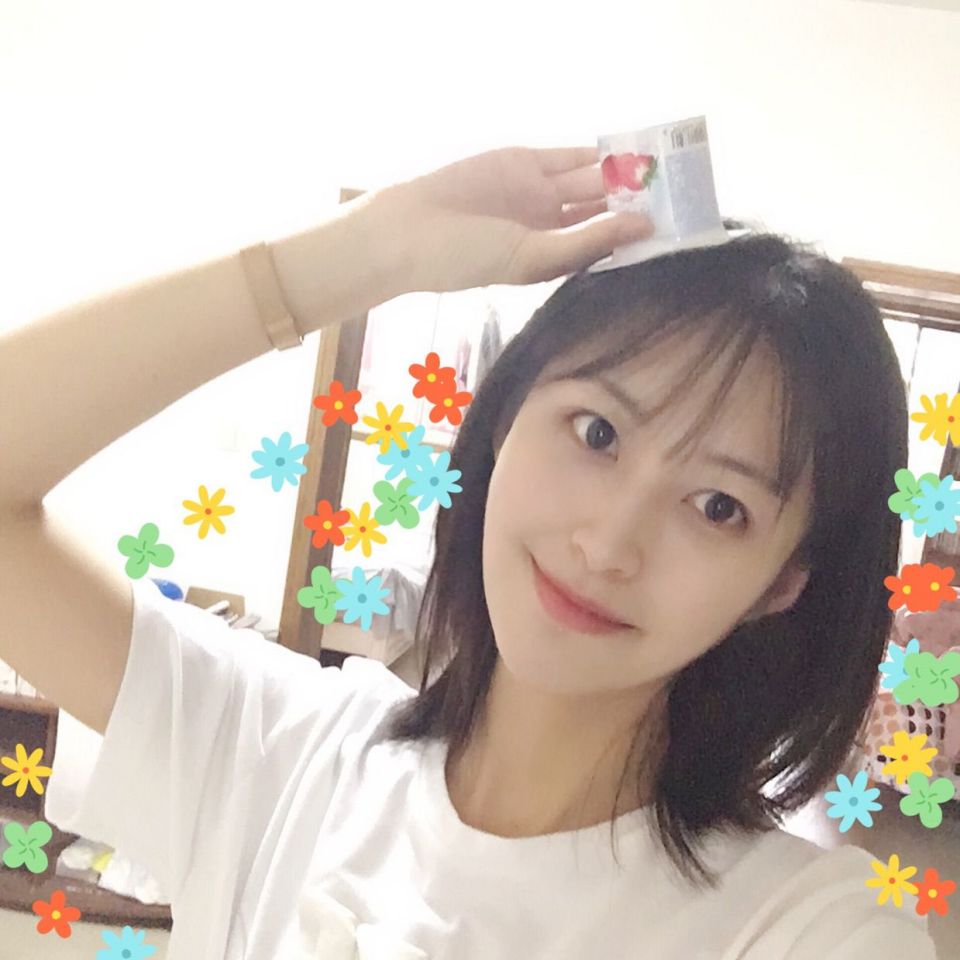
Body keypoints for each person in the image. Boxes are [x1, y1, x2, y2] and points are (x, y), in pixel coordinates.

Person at [0, 145, 939, 958]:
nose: (608, 543)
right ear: (503, 418)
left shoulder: (809, 932)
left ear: (781, 583)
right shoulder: (280, 747)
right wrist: (365, 253)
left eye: (717, 506)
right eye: (599, 433)